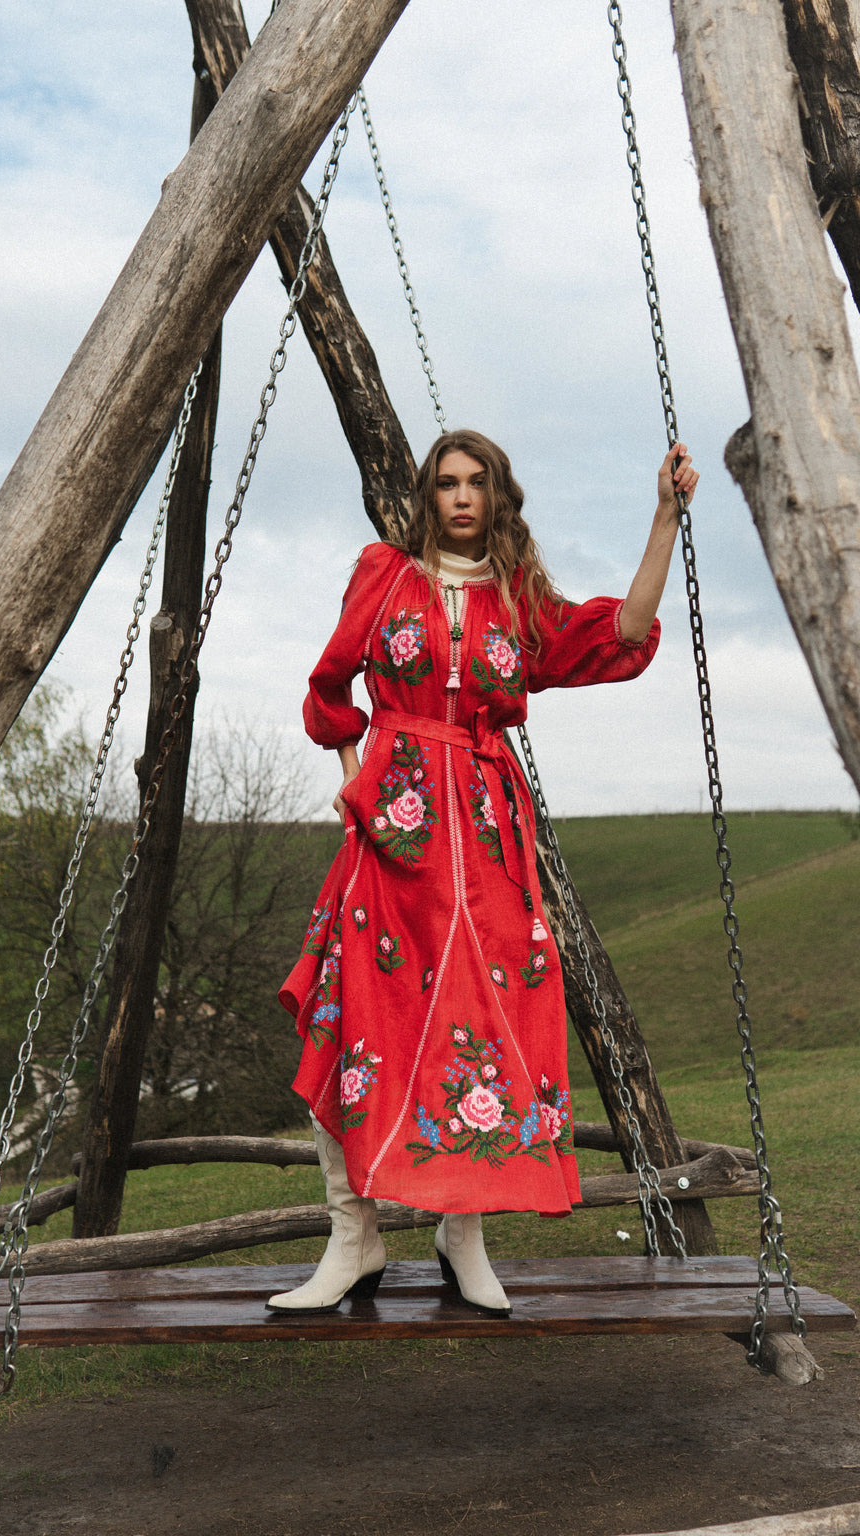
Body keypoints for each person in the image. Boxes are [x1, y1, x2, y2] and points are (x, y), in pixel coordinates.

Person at [268, 429, 699, 1316]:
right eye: (446, 484)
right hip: (393, 835)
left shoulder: (520, 601)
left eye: (478, 484)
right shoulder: (383, 575)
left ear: (498, 499)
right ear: (428, 498)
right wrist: (358, 784)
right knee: (355, 1017)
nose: (461, 497)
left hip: (489, 842)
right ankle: (352, 1240)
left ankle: (462, 1237)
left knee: (488, 1025)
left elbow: (621, 636)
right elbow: (329, 688)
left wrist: (663, 518)